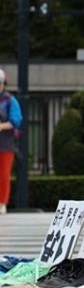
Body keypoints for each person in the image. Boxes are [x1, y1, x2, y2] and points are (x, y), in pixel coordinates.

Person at [0, 70, 22, 215]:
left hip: (5, 144)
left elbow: (16, 120)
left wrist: (1, 126)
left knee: (3, 175)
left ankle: (2, 203)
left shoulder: (10, 100)